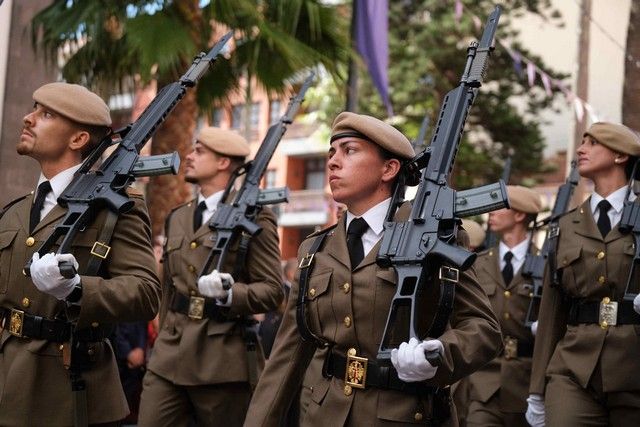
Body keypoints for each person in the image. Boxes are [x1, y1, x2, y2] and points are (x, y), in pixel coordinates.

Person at [244, 112, 502, 426]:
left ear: (389, 168)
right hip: (324, 414)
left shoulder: (434, 237)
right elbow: (287, 355)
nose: (333, 162)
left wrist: (439, 355)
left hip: (403, 414)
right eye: (331, 153)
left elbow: (483, 329)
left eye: (349, 150)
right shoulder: (315, 249)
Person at [0, 82, 161, 425]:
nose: (28, 119)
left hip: (68, 389)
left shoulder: (117, 206)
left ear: (77, 140)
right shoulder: (15, 211)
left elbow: (146, 293)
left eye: (45, 114)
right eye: (33, 109)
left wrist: (76, 289)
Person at [138, 127, 284, 426]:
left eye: (199, 151)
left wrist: (231, 293)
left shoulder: (255, 217)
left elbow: (272, 290)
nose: (189, 156)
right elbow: (168, 288)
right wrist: (164, 333)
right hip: (169, 355)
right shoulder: (178, 216)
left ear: (223, 163)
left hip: (222, 361)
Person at [527, 122, 640, 426]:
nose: (580, 149)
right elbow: (552, 310)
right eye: (582, 142)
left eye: (592, 143)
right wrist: (537, 390)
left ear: (620, 156)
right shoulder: (565, 226)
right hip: (573, 369)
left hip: (634, 368)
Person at [460, 185, 542, 426]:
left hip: (526, 383)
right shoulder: (479, 264)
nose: (491, 213)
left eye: (499, 207)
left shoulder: (545, 264)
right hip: (484, 380)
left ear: (519, 215)